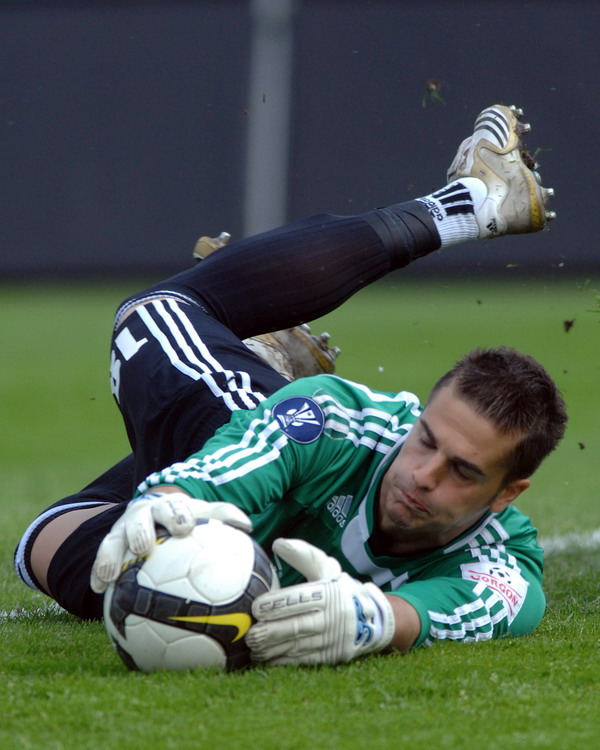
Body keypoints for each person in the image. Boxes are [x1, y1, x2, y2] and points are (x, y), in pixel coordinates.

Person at [15, 104, 566, 665]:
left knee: (43, 540)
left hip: (260, 484)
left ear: (506, 494)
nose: (424, 475)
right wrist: (169, 498)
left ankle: (264, 366)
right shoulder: (335, 423)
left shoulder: (500, 564)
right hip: (270, 445)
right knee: (150, 317)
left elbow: (462, 610)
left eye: (463, 471)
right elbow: (217, 476)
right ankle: (469, 204)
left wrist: (373, 619)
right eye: (425, 440)